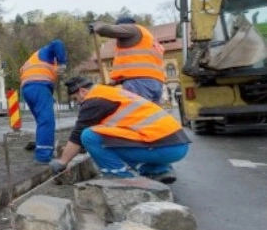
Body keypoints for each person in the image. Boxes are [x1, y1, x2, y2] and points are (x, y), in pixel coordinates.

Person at [49, 76, 191, 184]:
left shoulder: (93, 100)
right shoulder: (110, 93)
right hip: (177, 144)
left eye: (76, 99)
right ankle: (158, 170)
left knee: (88, 136)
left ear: (82, 91)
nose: (78, 103)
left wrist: (62, 162)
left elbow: (78, 135)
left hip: (163, 147)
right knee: (105, 137)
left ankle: (119, 178)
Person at [90, 16, 166, 104]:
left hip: (139, 83)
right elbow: (137, 65)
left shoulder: (133, 29)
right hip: (156, 83)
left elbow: (110, 30)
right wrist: (113, 83)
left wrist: (97, 26)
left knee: (137, 111)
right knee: (152, 112)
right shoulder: (149, 39)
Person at [19, 39, 67, 164]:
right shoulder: (47, 51)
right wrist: (62, 63)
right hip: (38, 86)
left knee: (42, 121)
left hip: (28, 89)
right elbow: (57, 43)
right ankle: (43, 156)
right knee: (47, 121)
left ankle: (44, 147)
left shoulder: (34, 59)